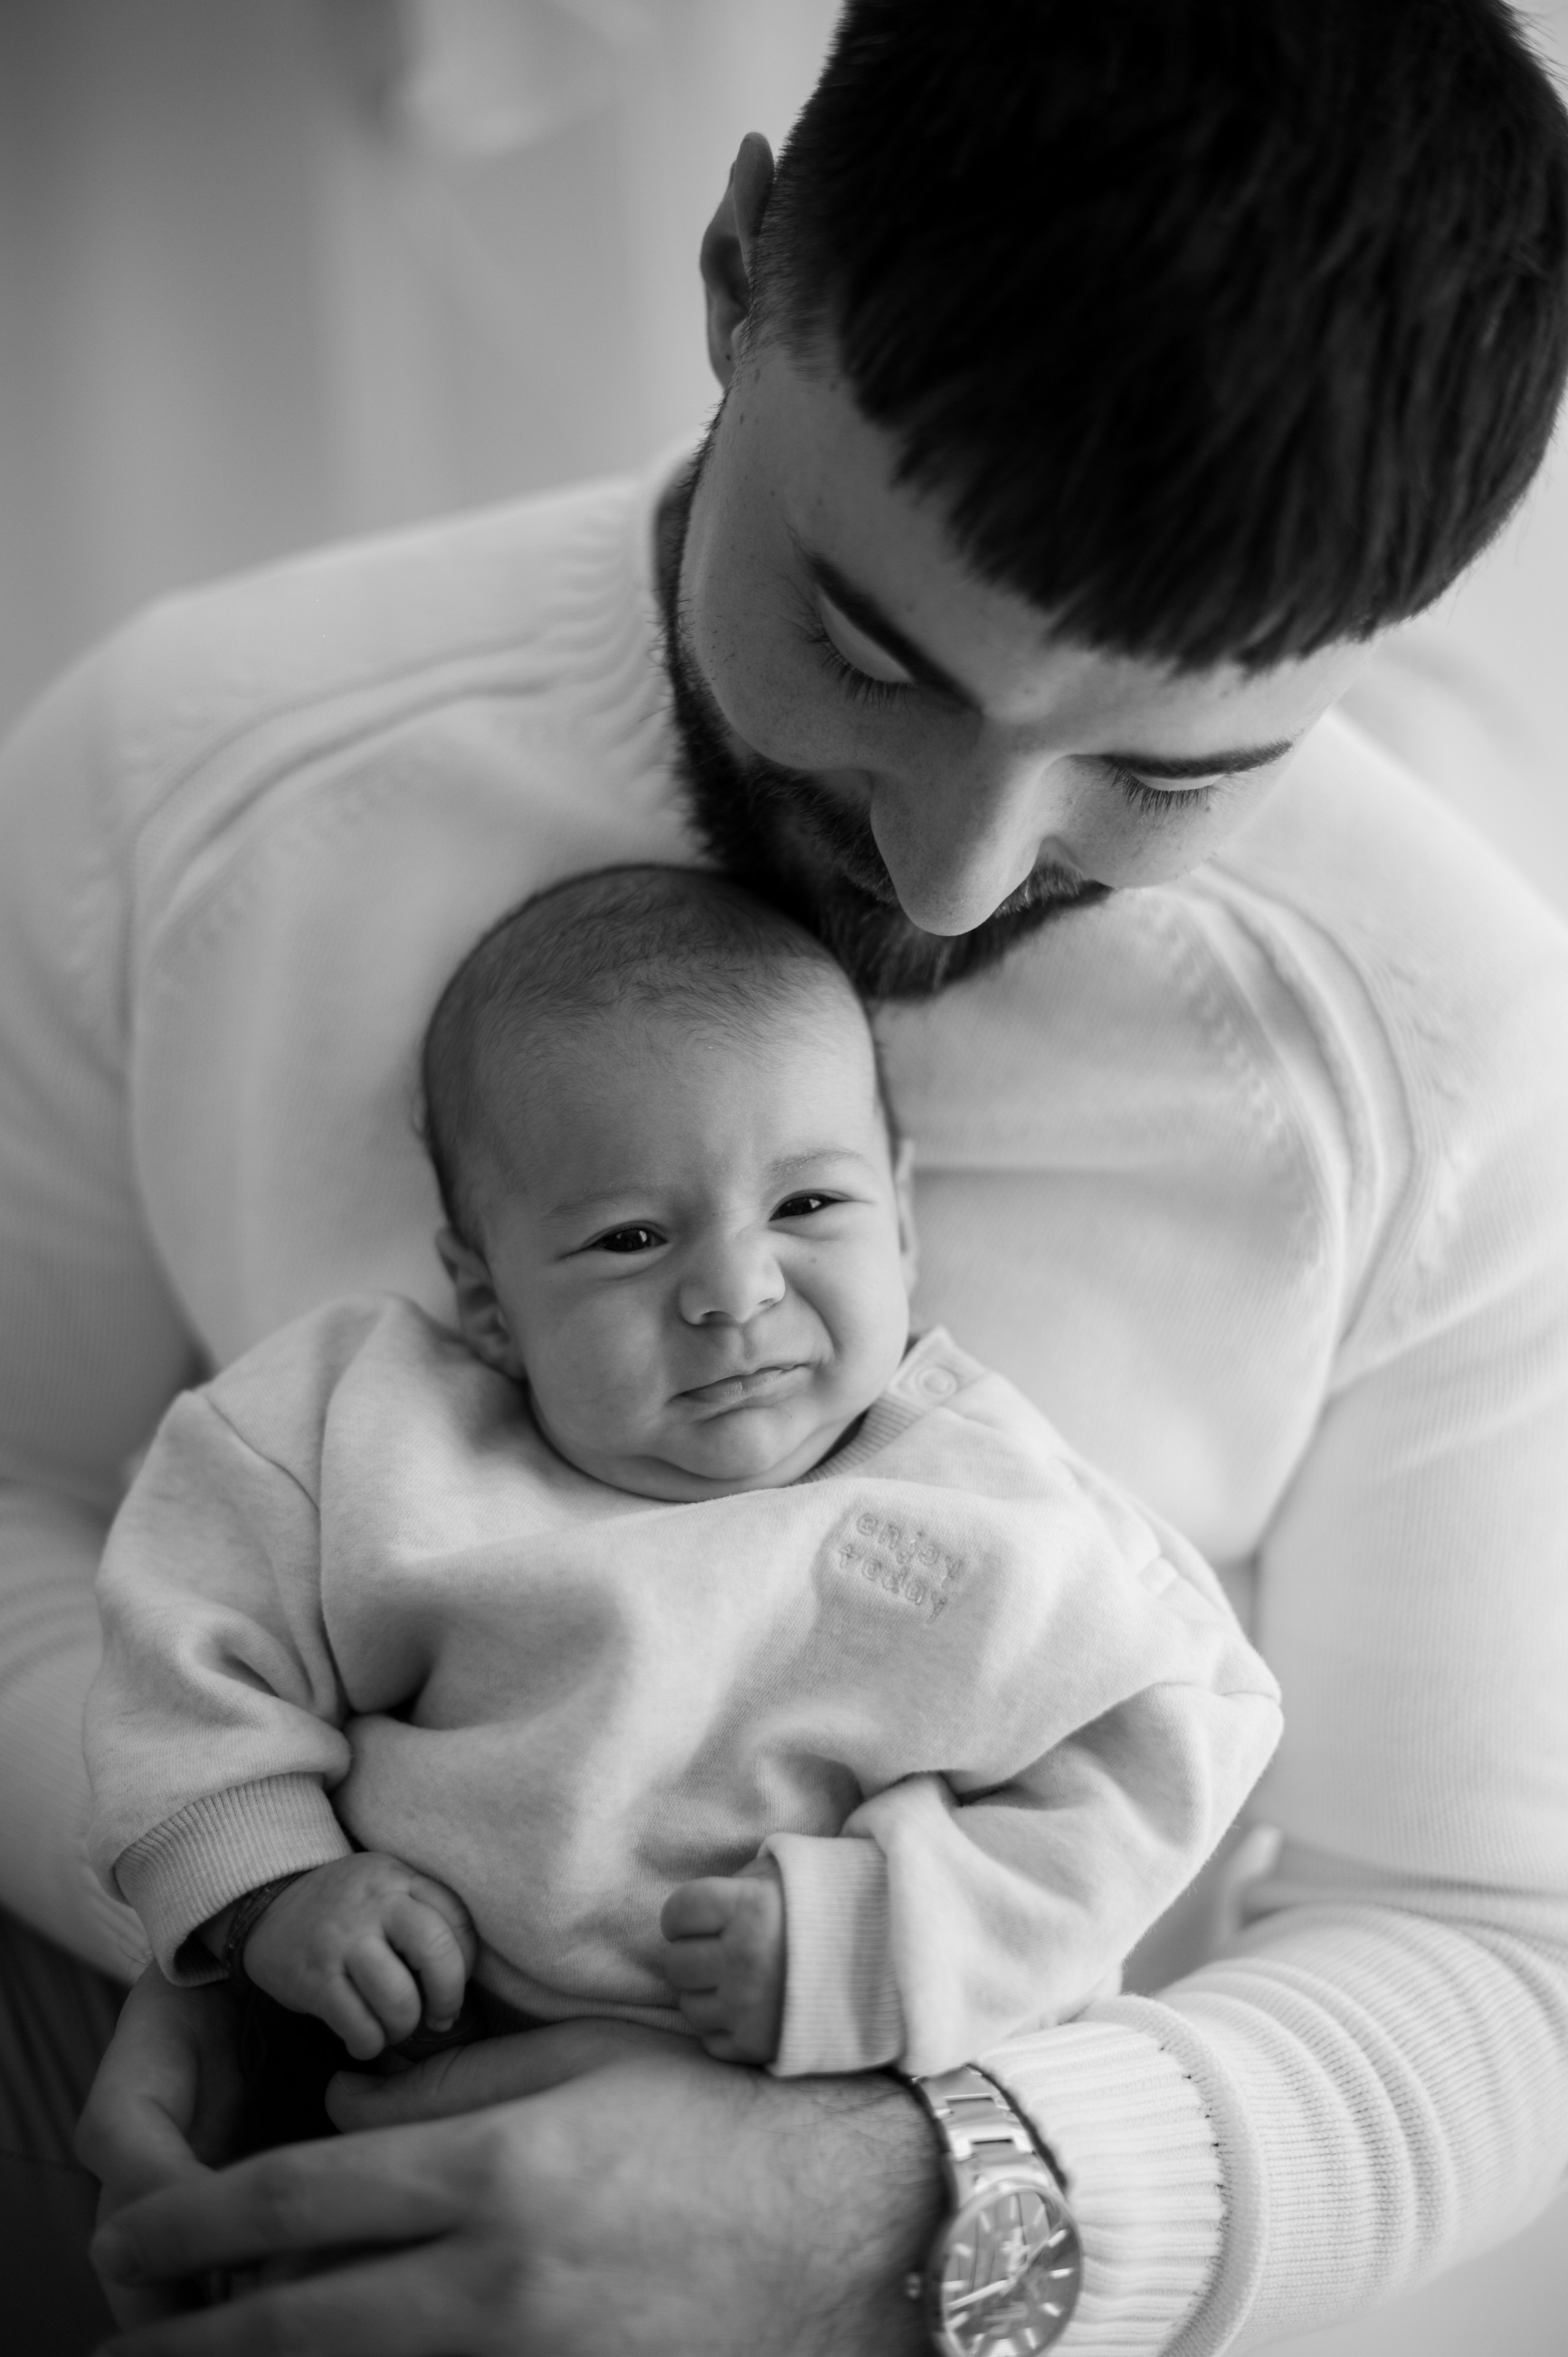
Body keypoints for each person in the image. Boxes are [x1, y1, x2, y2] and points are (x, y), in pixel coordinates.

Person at [2, 0, 1567, 2349]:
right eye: (870, 649)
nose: (949, 879)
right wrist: (225, 1903)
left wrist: (893, 2214)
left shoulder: (1448, 1039)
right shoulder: (188, 767)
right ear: (738, 269)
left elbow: (1498, 1945)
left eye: (1168, 772)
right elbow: (20, 1484)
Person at [84, 865, 1281, 2084]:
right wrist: (271, 1885)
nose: (733, 1292)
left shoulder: (986, 1505)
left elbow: (1159, 1753)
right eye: (630, 1239)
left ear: (902, 1224)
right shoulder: (372, 1430)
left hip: (794, 2121)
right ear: (490, 1301)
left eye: (807, 1202)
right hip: (376, 2056)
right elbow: (190, 1630)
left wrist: (869, 1941)